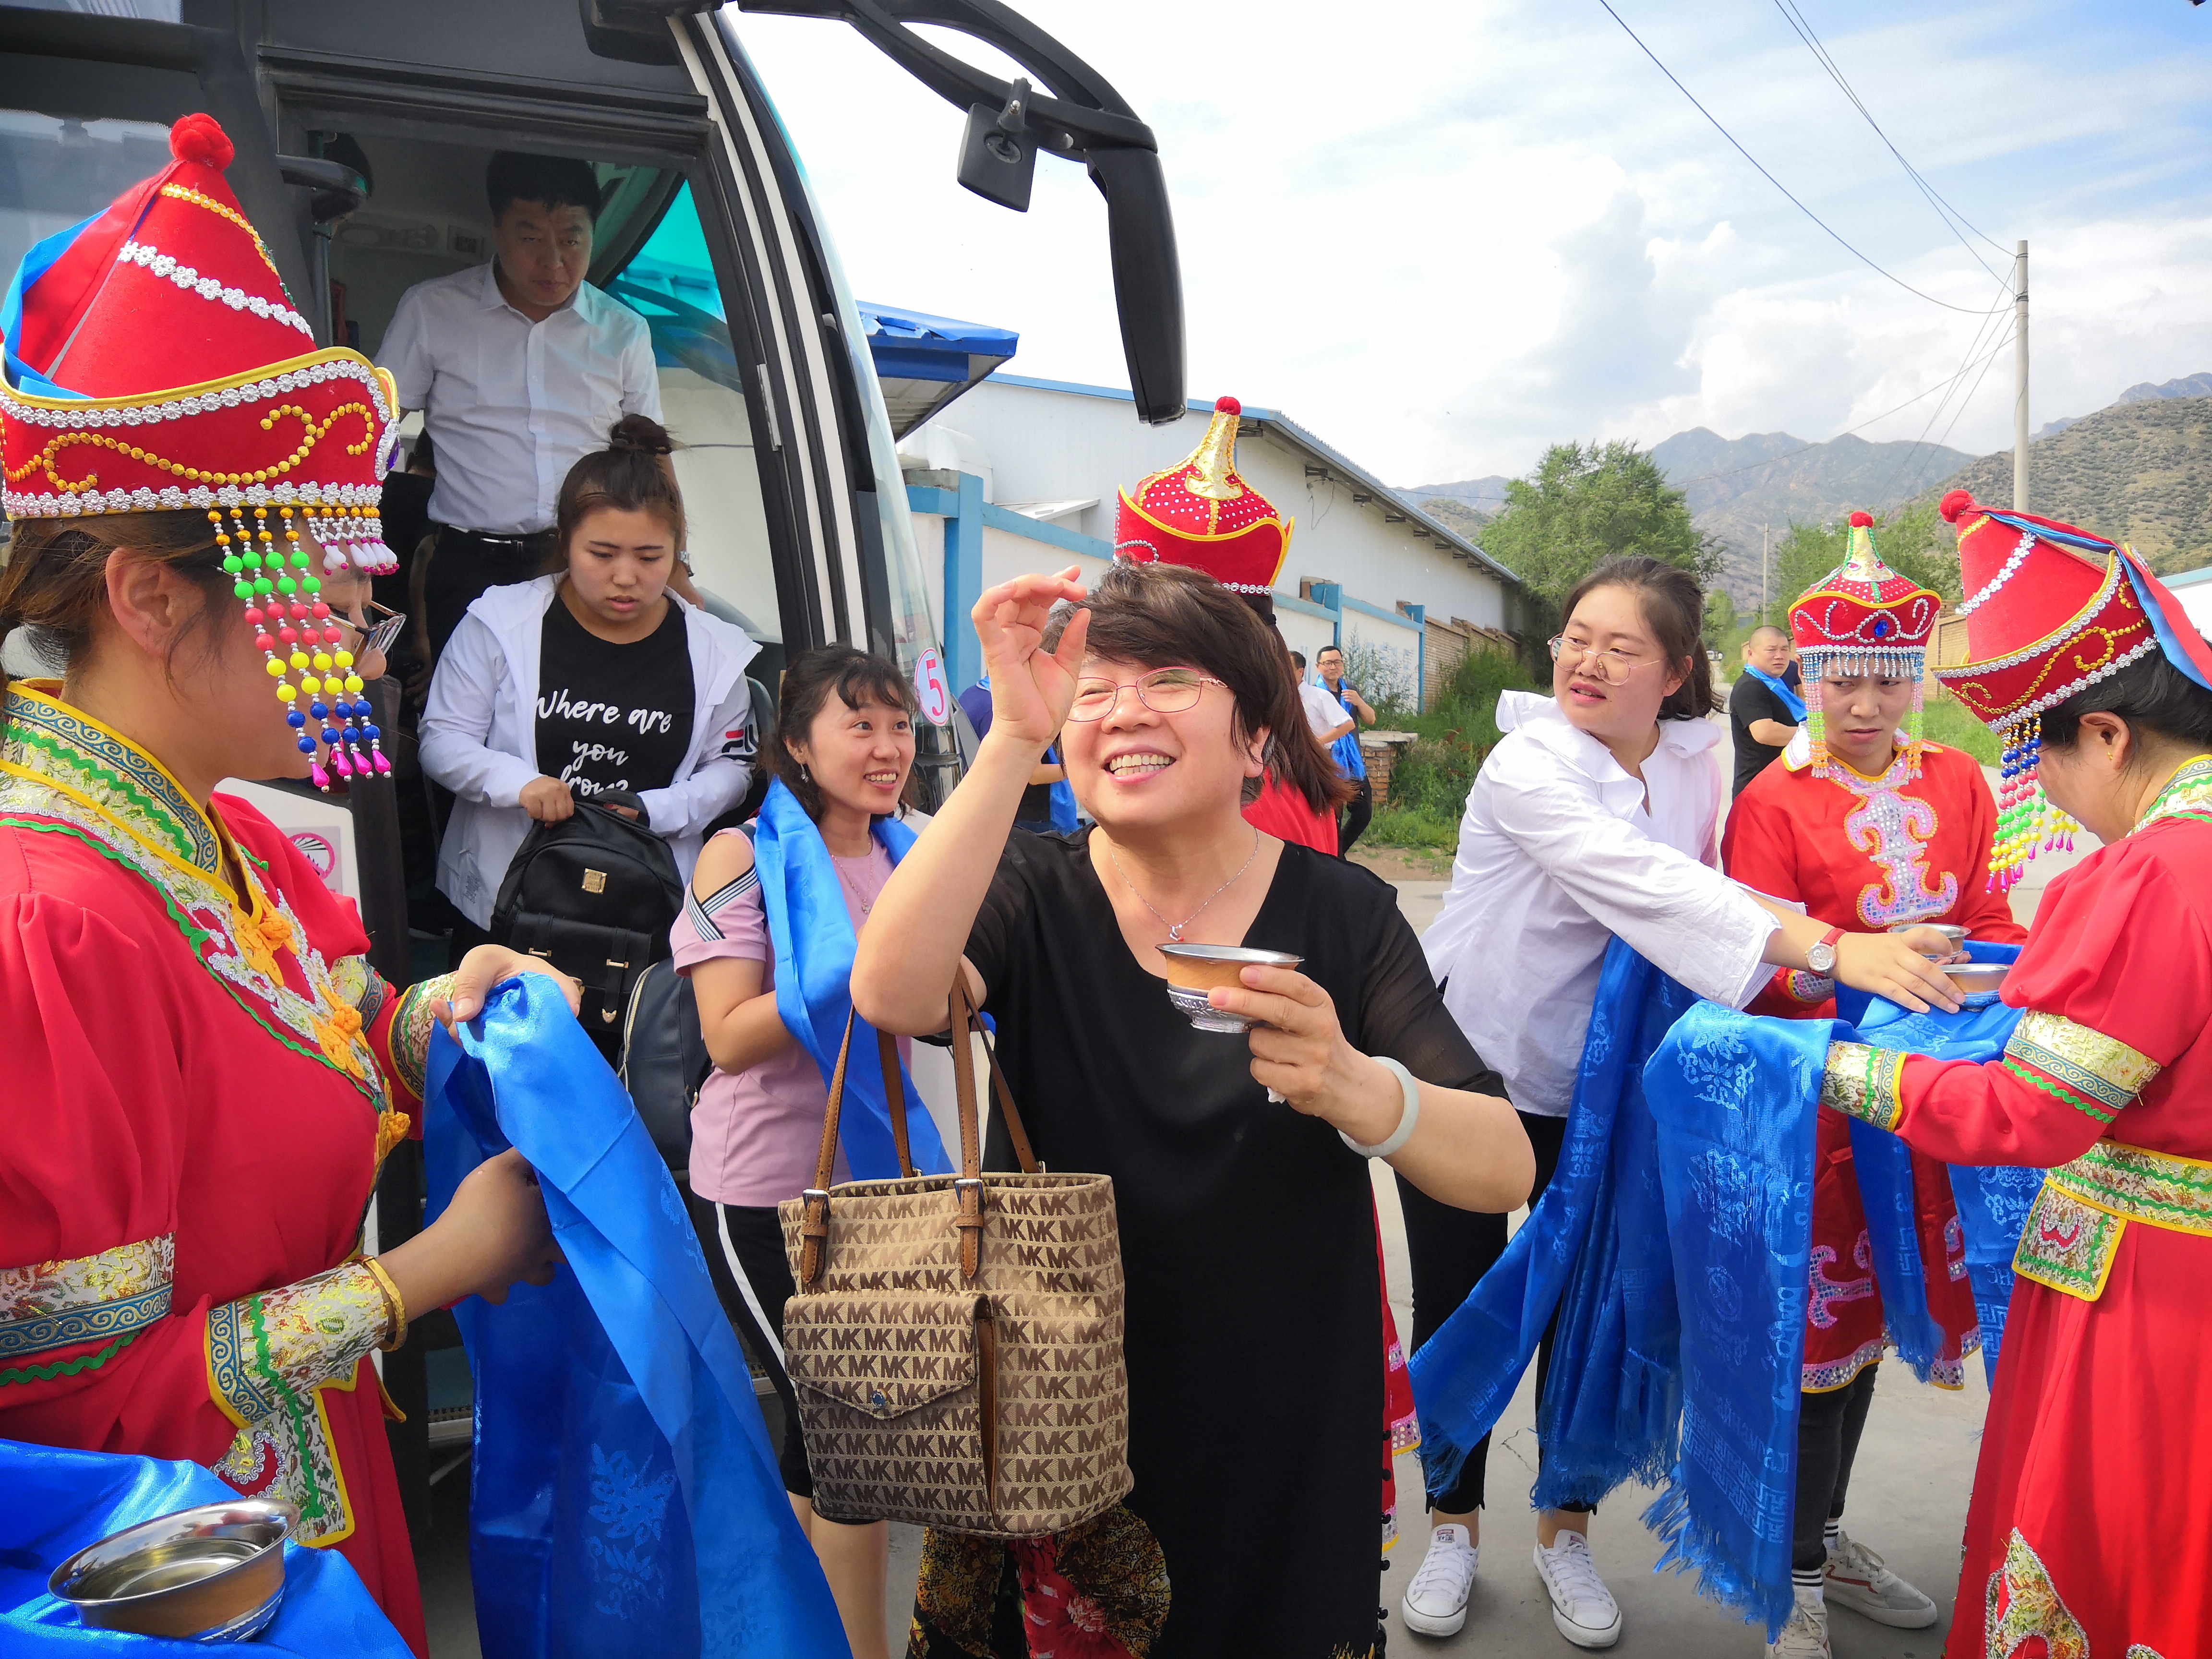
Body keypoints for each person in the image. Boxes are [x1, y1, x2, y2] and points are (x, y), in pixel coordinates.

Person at [0, 116, 574, 1657]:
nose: (359, 633)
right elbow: (61, 1415)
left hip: (305, 1494)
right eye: (319, 585)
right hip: (203, 1578)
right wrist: (417, 1280)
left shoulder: (223, 835)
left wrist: (447, 1011)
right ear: (148, 597)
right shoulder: (49, 922)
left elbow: (333, 1020)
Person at [850, 557, 1535, 1657]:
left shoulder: (1344, 914)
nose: (1123, 710)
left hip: (1282, 1416)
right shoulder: (1031, 887)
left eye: (1168, 679)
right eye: (1093, 688)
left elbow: (1501, 1165)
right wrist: (1012, 737)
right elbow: (891, 993)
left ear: (1257, 736)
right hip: (1056, 1405)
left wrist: (1357, 1086)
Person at [1408, 558, 1958, 1649]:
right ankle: (1450, 1525)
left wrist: (1844, 949)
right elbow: (1650, 882)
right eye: (1574, 637)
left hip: (1606, 1080)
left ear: (1673, 672)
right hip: (1472, 1065)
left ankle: (1564, 1529)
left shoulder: (1697, 758)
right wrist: (1832, 946)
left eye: (1620, 646)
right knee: (1461, 1298)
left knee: (1593, 1310)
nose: (1585, 661)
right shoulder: (1530, 763)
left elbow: (1721, 884)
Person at [1815, 490, 2212, 1659]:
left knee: (2128, 1539)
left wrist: (1836, 1068)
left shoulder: (2154, 873)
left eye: (2047, 756)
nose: (2050, 795)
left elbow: (2031, 1113)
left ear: (2109, 736)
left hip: (2151, 1289)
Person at [1721, 514, 2024, 1658]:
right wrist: (1860, 973)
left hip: (1936, 1096)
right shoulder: (1770, 804)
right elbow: (1758, 965)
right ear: (1804, 676)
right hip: (1826, 1104)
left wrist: (1997, 969)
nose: (1863, 703)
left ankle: (1826, 1539)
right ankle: (1791, 1575)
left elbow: (1988, 914)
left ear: (1914, 679)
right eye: (1840, 678)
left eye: (1886, 678)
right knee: (1817, 1347)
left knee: (1878, 1336)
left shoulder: (1959, 782)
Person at [677, 645, 935, 1659]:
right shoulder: (738, 855)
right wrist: (854, 975)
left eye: (900, 725)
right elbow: (727, 1036)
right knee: (851, 1431)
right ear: (795, 743)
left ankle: (775, 1631)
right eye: (859, 724)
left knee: (825, 1435)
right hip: (762, 1191)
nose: (887, 747)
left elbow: (945, 1001)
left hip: (878, 1192)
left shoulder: (912, 851)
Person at [418, 415, 758, 954]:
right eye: (601, 554)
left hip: (650, 908)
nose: (626, 576)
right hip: (507, 901)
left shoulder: (717, 650)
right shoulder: (499, 623)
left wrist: (658, 809)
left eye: (650, 558)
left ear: (676, 553)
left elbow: (733, 769)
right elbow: (442, 740)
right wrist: (520, 784)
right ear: (565, 541)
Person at [379, 150, 668, 659]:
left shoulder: (624, 332)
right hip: (469, 563)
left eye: (572, 240)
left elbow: (651, 456)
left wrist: (674, 561)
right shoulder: (433, 310)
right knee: (467, 702)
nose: (553, 262)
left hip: (583, 563)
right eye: (531, 239)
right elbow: (373, 429)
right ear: (497, 229)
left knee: (574, 700)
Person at [957, 671, 1076, 834]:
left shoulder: (972, 694)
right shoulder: (1006, 708)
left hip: (997, 811)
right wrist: (1077, 768)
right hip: (1027, 818)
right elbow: (1034, 775)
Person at [1316, 642, 1377, 854]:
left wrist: (1359, 701)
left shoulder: (1350, 690)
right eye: (1328, 663)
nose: (1333, 667)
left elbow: (1371, 719)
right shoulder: (1315, 694)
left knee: (1363, 813)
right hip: (1328, 764)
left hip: (1354, 764)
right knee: (1334, 818)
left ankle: (1338, 854)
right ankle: (1334, 859)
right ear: (1318, 666)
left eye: (1337, 662)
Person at [1730, 624, 1803, 797]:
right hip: (1758, 791)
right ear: (1751, 653)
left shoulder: (1775, 685)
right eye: (1771, 650)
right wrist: (1818, 736)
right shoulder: (1750, 686)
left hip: (1779, 788)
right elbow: (1765, 733)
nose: (1779, 656)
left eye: (1784, 649)